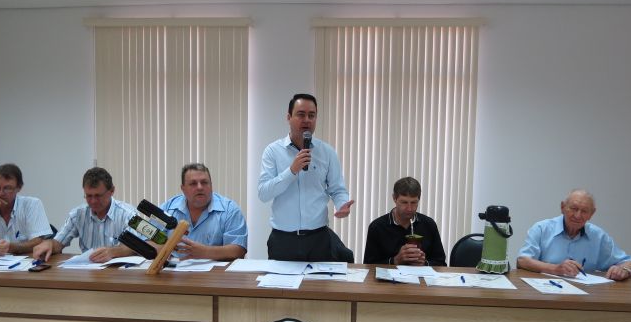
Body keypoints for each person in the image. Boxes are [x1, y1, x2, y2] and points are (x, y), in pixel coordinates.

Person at [258, 93, 355, 261]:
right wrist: (291, 171)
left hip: (319, 239)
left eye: (312, 115)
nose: (307, 120)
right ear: (289, 117)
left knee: (320, 280)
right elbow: (263, 193)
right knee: (280, 280)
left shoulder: (327, 152)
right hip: (283, 239)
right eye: (301, 114)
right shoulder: (272, 151)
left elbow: (337, 189)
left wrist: (342, 204)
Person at [517, 189, 631, 280]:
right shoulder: (542, 229)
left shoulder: (598, 236)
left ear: (591, 214)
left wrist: (623, 270)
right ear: (562, 207)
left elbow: (630, 262)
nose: (578, 215)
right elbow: (522, 261)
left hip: (584, 298)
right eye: (574, 208)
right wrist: (555, 269)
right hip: (545, 294)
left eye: (584, 211)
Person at [32, 167, 136, 263]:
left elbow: (137, 246)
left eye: (98, 196)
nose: (93, 201)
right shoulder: (77, 214)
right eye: (89, 196)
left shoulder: (129, 214)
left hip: (118, 271)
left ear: (112, 191)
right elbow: (58, 243)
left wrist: (113, 252)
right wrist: (49, 244)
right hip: (88, 271)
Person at [160, 163, 247, 261]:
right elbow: (149, 241)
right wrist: (163, 252)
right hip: (173, 268)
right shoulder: (167, 208)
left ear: (211, 185)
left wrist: (205, 252)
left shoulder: (230, 210)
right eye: (193, 183)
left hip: (215, 270)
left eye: (204, 182)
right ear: (183, 189)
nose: (200, 187)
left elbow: (238, 250)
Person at [363, 177, 446, 267]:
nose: (409, 209)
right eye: (404, 202)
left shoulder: (429, 225)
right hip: (388, 277)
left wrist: (424, 263)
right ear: (394, 198)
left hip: (421, 276)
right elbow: (368, 266)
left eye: (414, 202)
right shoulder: (377, 227)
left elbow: (441, 263)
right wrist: (395, 261)